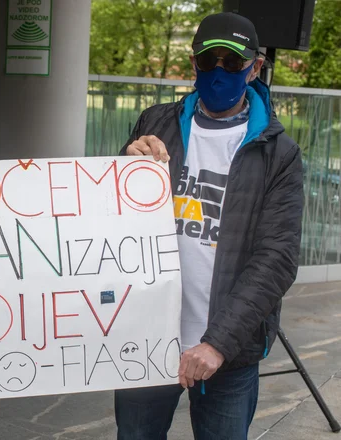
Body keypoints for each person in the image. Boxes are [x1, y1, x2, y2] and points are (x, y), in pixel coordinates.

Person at [114, 12, 303, 440]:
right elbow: (111, 213)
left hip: (227, 351)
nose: (218, 71)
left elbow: (277, 258)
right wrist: (125, 164)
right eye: (208, 59)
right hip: (147, 339)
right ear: (193, 62)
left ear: (254, 67)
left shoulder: (279, 153)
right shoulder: (154, 122)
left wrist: (218, 343)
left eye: (232, 63)